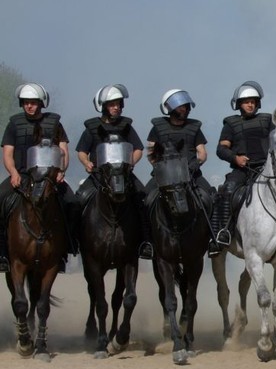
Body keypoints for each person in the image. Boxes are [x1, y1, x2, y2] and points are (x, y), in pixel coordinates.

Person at [0, 83, 79, 272]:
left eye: (33, 103)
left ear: (41, 104)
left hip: (49, 177)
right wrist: (13, 173)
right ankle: (2, 253)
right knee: (0, 200)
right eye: (26, 102)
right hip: (22, 176)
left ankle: (67, 249)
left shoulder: (54, 124)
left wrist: (61, 170)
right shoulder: (14, 125)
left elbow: (63, 151)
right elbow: (8, 154)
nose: (29, 106)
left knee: (72, 203)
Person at [74, 84, 153, 259]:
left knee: (144, 199)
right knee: (78, 200)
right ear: (103, 106)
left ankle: (146, 242)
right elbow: (81, 151)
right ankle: (75, 241)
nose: (116, 107)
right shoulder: (92, 127)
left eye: (118, 104)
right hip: (98, 177)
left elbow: (138, 148)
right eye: (112, 104)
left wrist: (131, 162)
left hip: (123, 175)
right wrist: (86, 162)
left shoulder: (126, 126)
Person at [145, 89, 215, 247]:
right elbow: (150, 152)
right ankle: (146, 241)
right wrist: (161, 168)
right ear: (170, 108)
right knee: (145, 198)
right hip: (163, 177)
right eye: (181, 107)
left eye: (187, 106)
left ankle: (213, 237)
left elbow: (202, 152)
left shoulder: (194, 127)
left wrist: (196, 164)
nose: (185, 109)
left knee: (211, 196)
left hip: (191, 175)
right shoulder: (157, 127)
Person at [213, 81, 273, 257]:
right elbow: (221, 148)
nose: (250, 104)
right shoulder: (230, 124)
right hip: (242, 170)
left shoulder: (267, 120)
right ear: (239, 104)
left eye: (253, 101)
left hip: (265, 169)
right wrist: (235, 158)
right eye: (246, 101)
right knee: (227, 190)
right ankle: (224, 232)